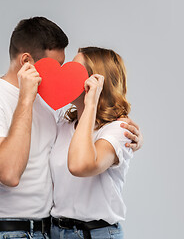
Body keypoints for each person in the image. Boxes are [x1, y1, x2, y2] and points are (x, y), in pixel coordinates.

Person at [0, 17, 143, 239]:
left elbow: (68, 161)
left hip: (54, 231)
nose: (61, 77)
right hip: (12, 232)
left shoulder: (52, 110)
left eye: (70, 70)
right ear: (26, 61)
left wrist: (134, 140)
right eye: (59, 68)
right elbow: (9, 171)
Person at [50, 47, 136, 239]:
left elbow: (81, 165)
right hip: (55, 231)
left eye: (75, 71)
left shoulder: (119, 130)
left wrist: (91, 104)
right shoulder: (62, 125)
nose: (65, 77)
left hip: (95, 233)